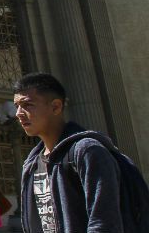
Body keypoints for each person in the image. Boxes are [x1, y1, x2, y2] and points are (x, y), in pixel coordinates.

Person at [14, 72, 126, 233]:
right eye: (16, 106)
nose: (18, 113)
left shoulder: (88, 151)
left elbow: (104, 221)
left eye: (27, 105)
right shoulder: (32, 163)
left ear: (56, 107)